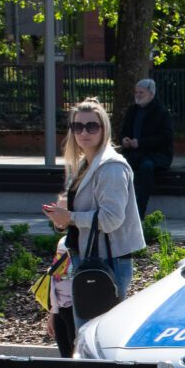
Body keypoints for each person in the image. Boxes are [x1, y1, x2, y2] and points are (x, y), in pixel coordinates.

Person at [41, 98, 145, 330]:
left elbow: (111, 219)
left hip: (108, 259)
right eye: (78, 127)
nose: (84, 132)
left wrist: (70, 217)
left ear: (104, 129)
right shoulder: (84, 164)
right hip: (87, 257)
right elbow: (80, 214)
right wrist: (61, 218)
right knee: (89, 332)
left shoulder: (111, 167)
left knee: (99, 333)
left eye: (92, 126)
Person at [120, 78, 174, 219]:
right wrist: (125, 139)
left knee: (146, 167)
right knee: (119, 167)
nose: (138, 95)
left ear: (151, 94)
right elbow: (124, 131)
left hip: (156, 155)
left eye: (141, 92)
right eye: (136, 92)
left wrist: (141, 143)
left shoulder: (161, 113)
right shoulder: (132, 111)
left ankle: (139, 212)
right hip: (134, 154)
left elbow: (166, 138)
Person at [46, 237, 75, 357]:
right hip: (62, 308)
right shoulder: (64, 242)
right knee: (66, 355)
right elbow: (54, 280)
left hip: (74, 309)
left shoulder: (74, 242)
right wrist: (53, 313)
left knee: (74, 354)